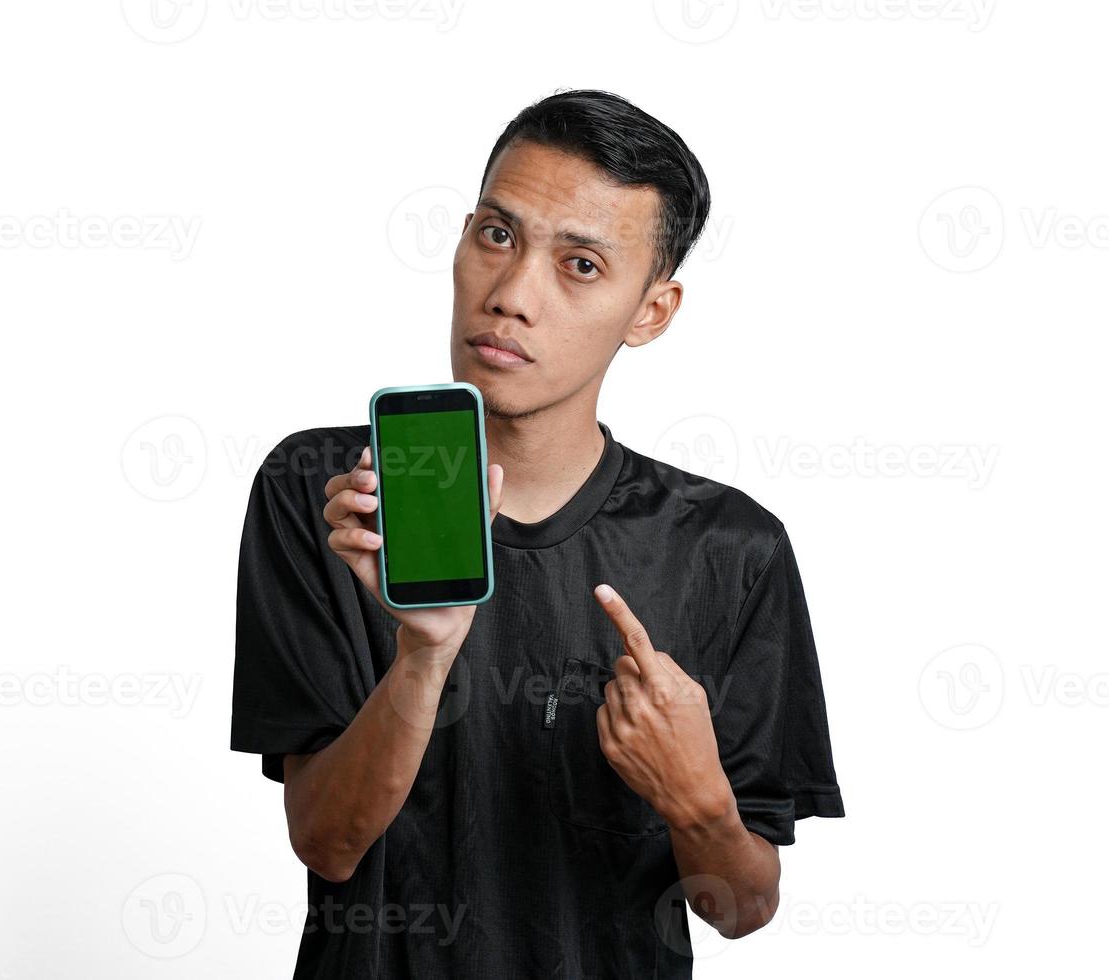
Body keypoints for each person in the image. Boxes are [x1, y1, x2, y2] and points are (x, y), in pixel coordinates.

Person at [231, 88, 845, 978]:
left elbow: (740, 909)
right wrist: (423, 656)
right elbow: (326, 844)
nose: (512, 293)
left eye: (582, 265)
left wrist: (699, 802)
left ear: (652, 312)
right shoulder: (329, 496)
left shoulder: (730, 551)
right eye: (496, 234)